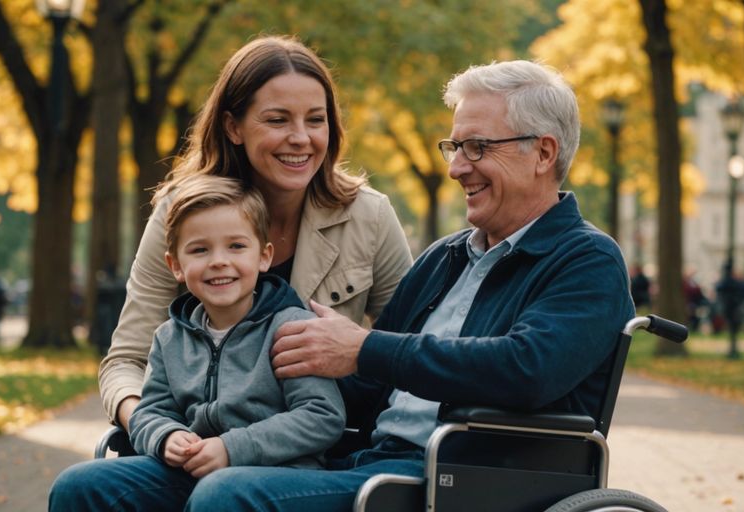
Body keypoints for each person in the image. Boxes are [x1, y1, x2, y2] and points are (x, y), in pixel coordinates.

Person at [179, 60, 636, 511]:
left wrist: (363, 348)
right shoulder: (447, 256)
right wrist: (225, 410)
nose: (457, 167)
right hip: (366, 460)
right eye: (454, 147)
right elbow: (361, 387)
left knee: (227, 495)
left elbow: (526, 370)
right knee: (120, 483)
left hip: (460, 478)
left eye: (476, 147)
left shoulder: (585, 260)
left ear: (543, 153)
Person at [98, 35, 412, 434]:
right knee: (82, 487)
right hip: (190, 446)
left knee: (222, 495)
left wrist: (355, 352)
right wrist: (151, 429)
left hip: (318, 450)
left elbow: (409, 352)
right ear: (233, 127)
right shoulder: (180, 212)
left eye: (316, 120)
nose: (301, 138)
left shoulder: (368, 215)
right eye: (278, 120)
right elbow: (126, 360)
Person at [49, 175, 346, 509]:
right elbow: (152, 410)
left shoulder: (292, 328)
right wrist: (166, 437)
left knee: (217, 493)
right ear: (176, 265)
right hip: (194, 469)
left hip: (277, 475)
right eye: (200, 250)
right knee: (77, 485)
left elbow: (322, 415)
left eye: (236, 246)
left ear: (263, 257)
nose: (218, 260)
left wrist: (233, 448)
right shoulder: (170, 338)